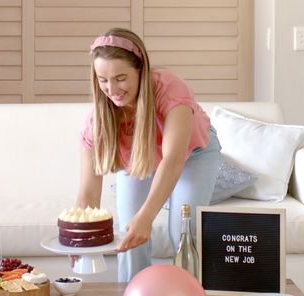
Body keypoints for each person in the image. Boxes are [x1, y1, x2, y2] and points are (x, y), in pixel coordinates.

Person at [75, 28, 221, 281]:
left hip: (191, 155)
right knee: (130, 232)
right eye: (103, 79)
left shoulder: (170, 88)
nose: (112, 89)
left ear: (141, 70)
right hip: (140, 161)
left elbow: (173, 160)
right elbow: (88, 192)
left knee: (184, 231)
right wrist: (79, 235)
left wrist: (147, 216)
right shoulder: (96, 121)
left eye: (121, 78)